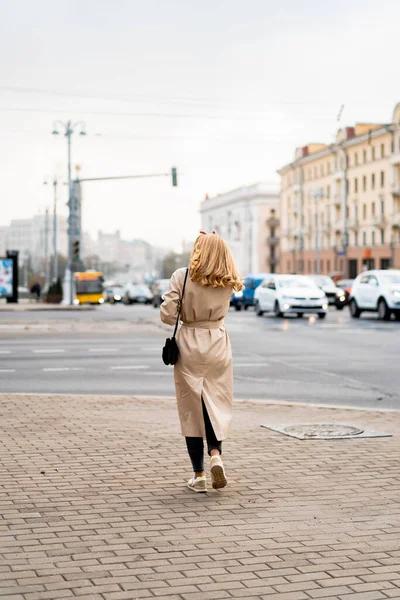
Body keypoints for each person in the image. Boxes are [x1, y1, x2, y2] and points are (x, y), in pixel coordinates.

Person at [160, 231, 243, 493]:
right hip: (218, 341)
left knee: (191, 409)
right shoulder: (227, 280)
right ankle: (216, 454)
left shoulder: (182, 276)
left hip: (190, 344)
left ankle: (199, 476)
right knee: (216, 403)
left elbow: (167, 315)